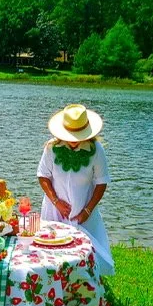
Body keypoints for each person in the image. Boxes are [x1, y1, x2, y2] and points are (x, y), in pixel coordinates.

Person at [37, 103, 114, 275]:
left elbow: (102, 182)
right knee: (52, 248)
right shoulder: (51, 148)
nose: (73, 139)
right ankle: (54, 282)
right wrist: (56, 202)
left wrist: (87, 211)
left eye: (78, 134)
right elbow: (43, 176)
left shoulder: (96, 150)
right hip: (54, 208)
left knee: (86, 252)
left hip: (84, 208)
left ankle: (87, 284)